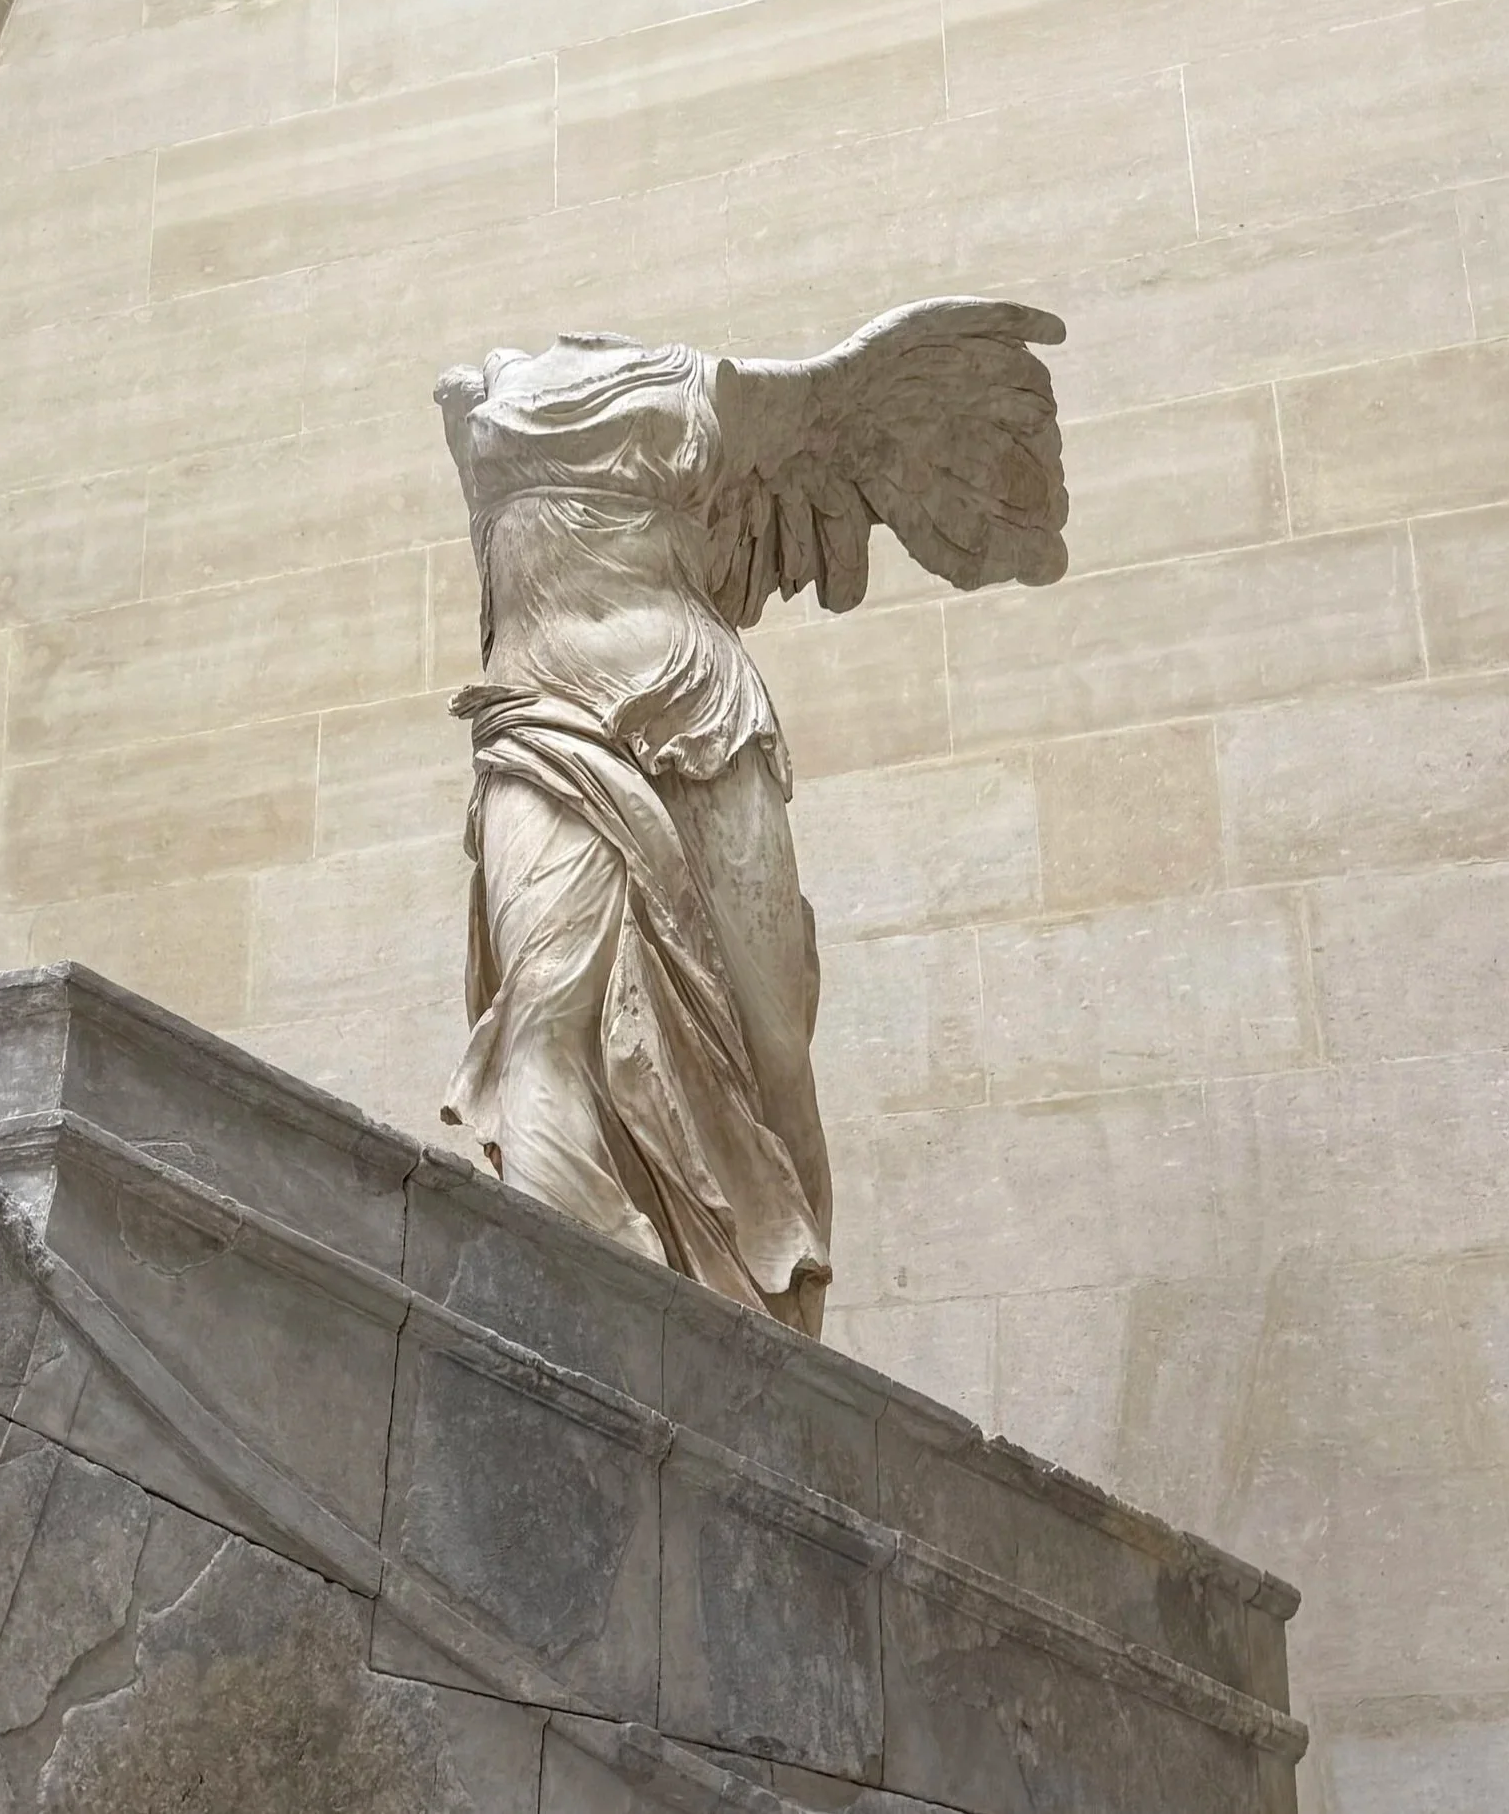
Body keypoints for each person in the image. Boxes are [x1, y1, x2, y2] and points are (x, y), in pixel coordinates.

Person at [434, 300, 1069, 1336]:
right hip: (539, 723)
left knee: (772, 1045)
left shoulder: (727, 397)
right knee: (540, 1020)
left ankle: (787, 1347)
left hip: (700, 716)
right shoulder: (479, 401)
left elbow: (868, 402)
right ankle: (570, 1334)